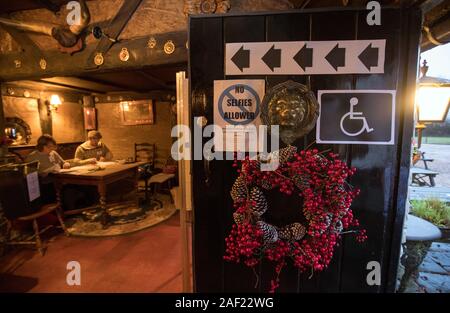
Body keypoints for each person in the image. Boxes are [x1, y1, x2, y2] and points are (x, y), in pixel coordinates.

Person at [25, 134, 71, 204]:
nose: (52, 149)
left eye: (53, 146)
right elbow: (30, 177)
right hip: (45, 185)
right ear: (42, 146)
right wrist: (44, 173)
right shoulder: (32, 157)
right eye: (50, 147)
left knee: (72, 187)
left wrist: (66, 164)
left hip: (59, 180)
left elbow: (64, 162)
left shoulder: (53, 153)